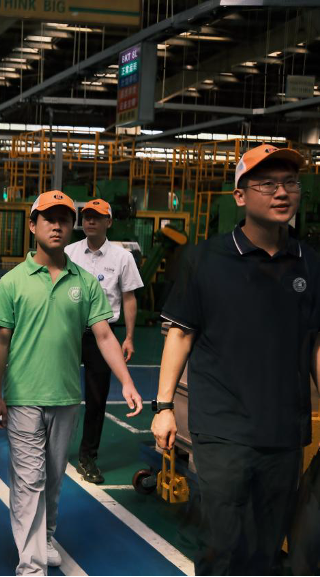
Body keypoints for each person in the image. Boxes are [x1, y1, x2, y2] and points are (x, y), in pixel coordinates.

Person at [152, 144, 320, 576]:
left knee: (267, 551)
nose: (281, 192)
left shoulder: (311, 264)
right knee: (222, 548)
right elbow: (180, 334)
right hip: (223, 430)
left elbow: (317, 344)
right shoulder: (205, 260)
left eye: (290, 183)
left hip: (285, 432)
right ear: (240, 196)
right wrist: (164, 407)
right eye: (267, 184)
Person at [0, 190, 143, 575]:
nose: (57, 226)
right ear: (33, 225)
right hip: (24, 396)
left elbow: (104, 335)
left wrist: (126, 381)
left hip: (66, 396)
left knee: (54, 477)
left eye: (63, 219)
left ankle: (46, 536)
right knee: (30, 480)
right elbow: (0, 341)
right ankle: (31, 565)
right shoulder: (12, 282)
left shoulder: (85, 283)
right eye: (48, 218)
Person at [65, 198, 144, 484]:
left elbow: (129, 298)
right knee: (59, 392)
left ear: (108, 222)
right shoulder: (69, 253)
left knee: (97, 399)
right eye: (87, 216)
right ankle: (52, 446)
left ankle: (87, 457)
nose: (90, 221)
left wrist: (130, 337)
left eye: (97, 217)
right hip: (69, 332)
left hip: (104, 336)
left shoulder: (122, 258)